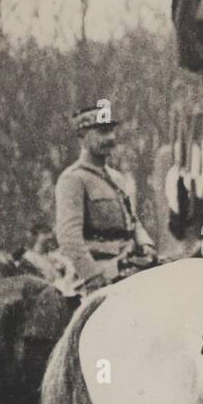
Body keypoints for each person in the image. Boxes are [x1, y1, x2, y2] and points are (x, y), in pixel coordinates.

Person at [54, 105, 158, 292]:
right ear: (82, 137)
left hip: (129, 265)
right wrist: (94, 277)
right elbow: (69, 238)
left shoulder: (117, 178)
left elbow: (133, 221)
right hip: (98, 273)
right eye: (102, 132)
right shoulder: (73, 179)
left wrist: (146, 244)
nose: (110, 138)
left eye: (111, 131)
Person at [19, 219, 77, 295]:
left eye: (49, 232)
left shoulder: (52, 255)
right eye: (45, 233)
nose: (50, 236)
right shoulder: (29, 258)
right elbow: (35, 283)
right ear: (37, 236)